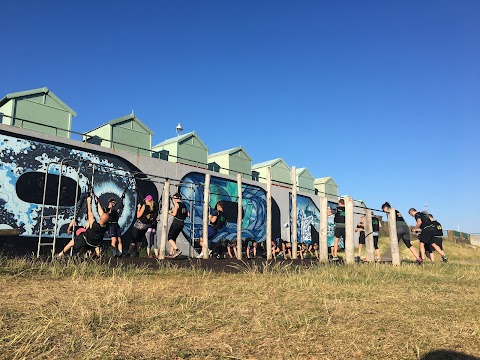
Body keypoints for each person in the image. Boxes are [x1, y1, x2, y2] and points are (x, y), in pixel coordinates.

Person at [167, 193, 189, 258]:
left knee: (170, 238)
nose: (174, 200)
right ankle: (171, 253)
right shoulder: (184, 205)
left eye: (175, 198)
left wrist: (169, 212)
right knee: (174, 238)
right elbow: (188, 214)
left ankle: (177, 250)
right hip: (182, 223)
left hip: (176, 222)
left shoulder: (177, 204)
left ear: (178, 198)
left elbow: (174, 214)